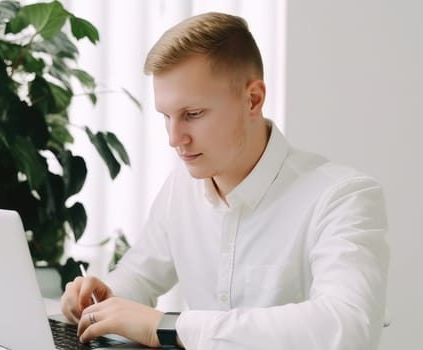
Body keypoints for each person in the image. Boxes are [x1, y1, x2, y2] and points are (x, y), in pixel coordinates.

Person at [61, 12, 389, 350]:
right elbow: (140, 275)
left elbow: (349, 327)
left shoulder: (342, 196)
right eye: (166, 116)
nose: (175, 139)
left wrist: (168, 327)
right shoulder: (181, 187)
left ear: (253, 99)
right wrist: (101, 298)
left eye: (192, 115)